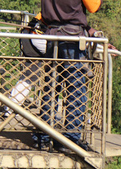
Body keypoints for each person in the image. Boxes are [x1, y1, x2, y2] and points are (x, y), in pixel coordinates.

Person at [33, 0, 104, 151]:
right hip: (72, 39)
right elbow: (93, 7)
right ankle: (70, 138)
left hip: (52, 36)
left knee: (50, 88)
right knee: (75, 89)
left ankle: (44, 137)